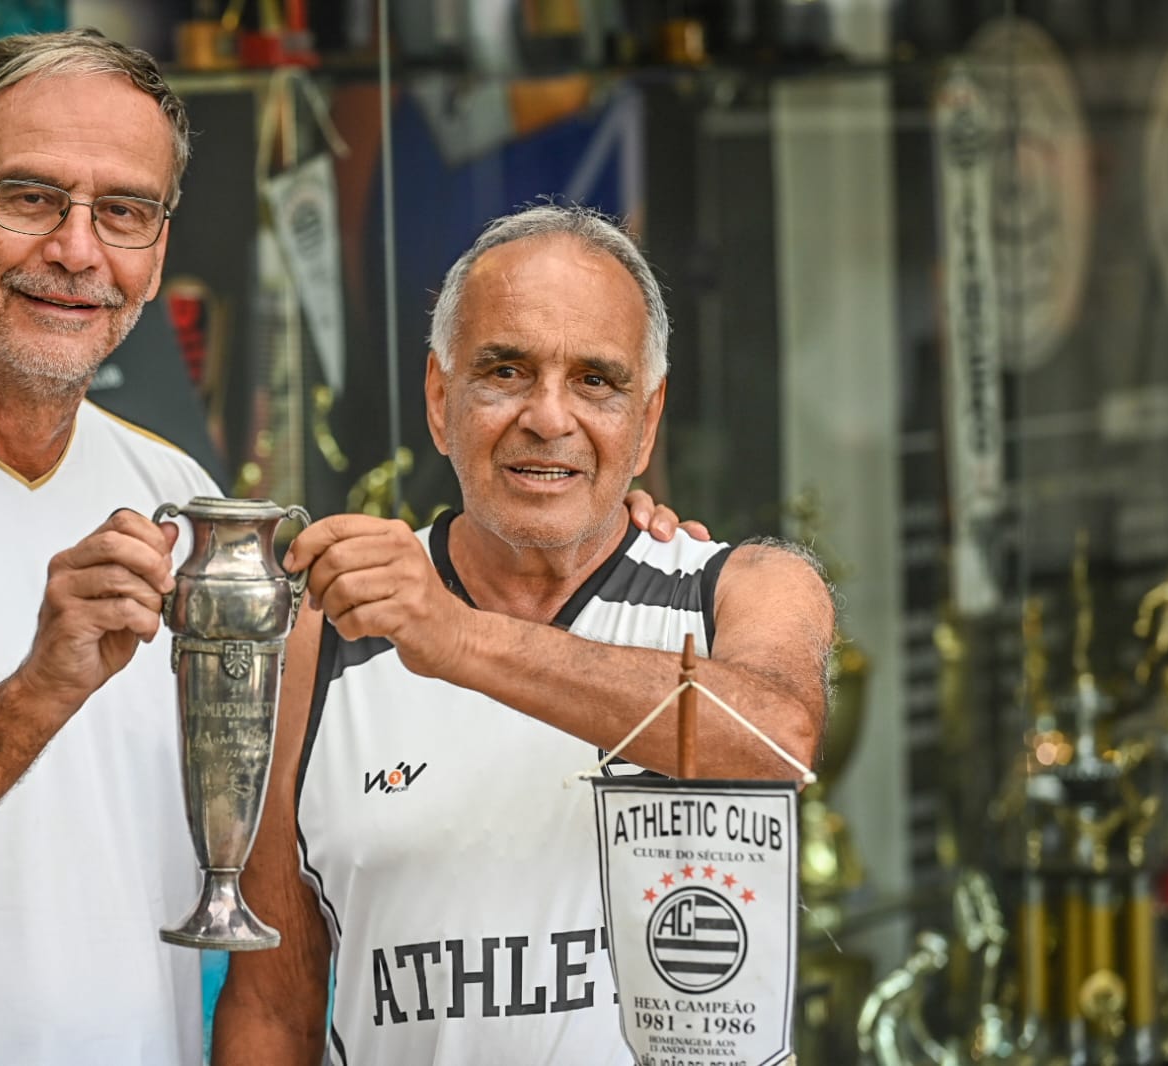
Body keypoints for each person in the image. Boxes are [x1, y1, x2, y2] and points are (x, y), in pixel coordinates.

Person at [0, 32, 692, 1066]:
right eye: (30, 197)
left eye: (124, 212)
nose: (76, 249)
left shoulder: (179, 495)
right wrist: (34, 693)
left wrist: (609, 538)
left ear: (158, 249)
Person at [212, 204, 836, 1065]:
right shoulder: (321, 638)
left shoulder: (744, 590)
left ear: (646, 420)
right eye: (505, 371)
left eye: (595, 381)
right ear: (440, 399)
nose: (548, 417)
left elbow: (777, 739)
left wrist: (457, 639)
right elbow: (274, 1009)